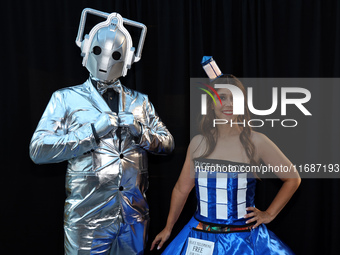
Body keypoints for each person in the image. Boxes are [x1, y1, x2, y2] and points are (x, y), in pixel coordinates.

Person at [29, 8, 174, 255]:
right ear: (86, 50)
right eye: (98, 51)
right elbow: (38, 149)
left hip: (133, 218)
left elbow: (167, 143)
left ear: (127, 58)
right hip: (86, 220)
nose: (106, 60)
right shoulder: (65, 98)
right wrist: (91, 133)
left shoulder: (140, 101)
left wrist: (140, 132)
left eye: (115, 54)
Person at [151, 62, 300, 254]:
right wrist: (168, 228)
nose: (229, 104)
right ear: (211, 104)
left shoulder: (257, 141)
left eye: (234, 98)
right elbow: (182, 189)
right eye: (222, 97)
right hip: (199, 237)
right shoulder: (198, 143)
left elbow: (293, 178)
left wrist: (269, 214)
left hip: (244, 242)